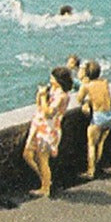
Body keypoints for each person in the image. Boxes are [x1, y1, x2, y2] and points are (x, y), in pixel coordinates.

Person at [22, 66, 73, 197]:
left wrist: (44, 97)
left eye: (52, 78)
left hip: (48, 130)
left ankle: (45, 188)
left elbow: (48, 113)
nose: (50, 80)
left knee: (43, 159)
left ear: (58, 80)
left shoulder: (61, 96)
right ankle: (45, 180)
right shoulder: (55, 91)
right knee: (27, 154)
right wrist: (40, 96)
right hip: (40, 126)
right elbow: (40, 107)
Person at [76, 61, 111, 179]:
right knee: (100, 143)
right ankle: (97, 165)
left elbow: (78, 99)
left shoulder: (86, 86)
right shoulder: (104, 82)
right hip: (109, 116)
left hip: (98, 117)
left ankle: (90, 171)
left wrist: (86, 102)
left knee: (91, 145)